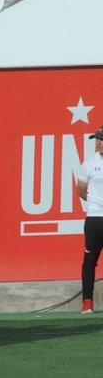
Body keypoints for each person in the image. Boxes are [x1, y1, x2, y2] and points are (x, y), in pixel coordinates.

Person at [77, 125, 103, 314]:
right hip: (94, 218)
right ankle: (87, 302)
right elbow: (81, 189)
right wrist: (96, 203)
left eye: (102, 139)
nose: (99, 143)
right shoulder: (89, 163)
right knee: (89, 260)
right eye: (97, 139)